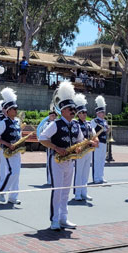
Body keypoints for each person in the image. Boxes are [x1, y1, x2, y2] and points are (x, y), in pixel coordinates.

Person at [39, 81, 89, 231]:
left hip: (70, 161)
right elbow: (42, 138)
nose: (73, 111)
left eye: (74, 109)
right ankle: (54, 219)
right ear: (63, 110)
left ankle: (63, 218)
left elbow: (80, 140)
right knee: (57, 191)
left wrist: (81, 147)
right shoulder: (56, 124)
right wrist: (56, 148)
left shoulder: (75, 125)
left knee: (66, 191)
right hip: (57, 160)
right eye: (70, 109)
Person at [0, 88, 22, 205]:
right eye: (14, 109)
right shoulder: (3, 122)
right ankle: (0, 190)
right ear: (8, 111)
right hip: (7, 151)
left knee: (17, 173)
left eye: (16, 109)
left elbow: (18, 135)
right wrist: (8, 144)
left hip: (16, 150)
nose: (16, 110)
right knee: (12, 172)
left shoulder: (17, 122)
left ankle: (13, 197)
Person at [72, 93, 94, 202]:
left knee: (86, 172)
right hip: (80, 150)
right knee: (79, 172)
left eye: (85, 112)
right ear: (78, 114)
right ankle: (77, 193)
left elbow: (93, 135)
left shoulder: (89, 123)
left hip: (88, 150)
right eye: (82, 113)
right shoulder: (75, 123)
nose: (85, 114)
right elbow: (76, 136)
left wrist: (95, 141)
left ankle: (84, 192)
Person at [90, 95, 109, 184]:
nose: (103, 114)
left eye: (104, 112)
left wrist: (108, 130)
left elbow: (105, 131)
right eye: (102, 112)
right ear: (97, 113)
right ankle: (96, 178)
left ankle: (101, 176)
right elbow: (92, 132)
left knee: (102, 160)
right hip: (97, 142)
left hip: (104, 142)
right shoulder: (94, 121)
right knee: (96, 160)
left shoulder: (105, 121)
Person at [41, 109, 57, 185]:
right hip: (50, 145)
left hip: (57, 145)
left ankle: (55, 179)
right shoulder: (46, 124)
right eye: (51, 115)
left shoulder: (57, 123)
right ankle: (50, 180)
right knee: (49, 163)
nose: (52, 117)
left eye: (54, 115)